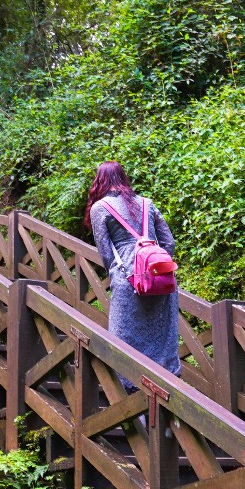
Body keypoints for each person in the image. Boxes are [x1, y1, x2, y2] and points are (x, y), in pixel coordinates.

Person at [86, 161, 181, 376]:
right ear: (123, 179)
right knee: (162, 341)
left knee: (125, 340)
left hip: (129, 279)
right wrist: (155, 268)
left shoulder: (100, 208)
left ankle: (129, 397)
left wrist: (121, 274)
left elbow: (106, 253)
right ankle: (166, 393)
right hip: (162, 280)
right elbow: (169, 243)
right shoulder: (147, 203)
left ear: (100, 181)